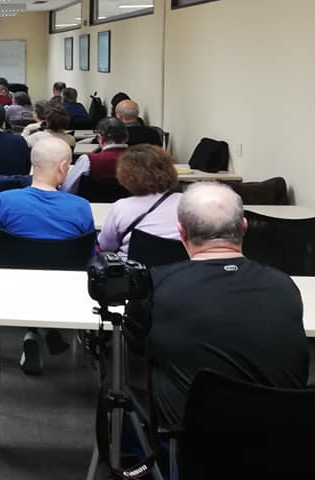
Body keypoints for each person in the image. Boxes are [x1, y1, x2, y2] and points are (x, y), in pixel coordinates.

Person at [127, 183, 309, 428]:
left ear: (181, 231)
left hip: (194, 430)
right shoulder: (284, 284)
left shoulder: (155, 283)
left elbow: (135, 343)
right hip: (283, 428)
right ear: (244, 227)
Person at [0, 136, 94, 374]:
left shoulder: (5, 200)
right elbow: (89, 254)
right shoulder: (81, 206)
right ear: (63, 167)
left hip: (12, 282)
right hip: (65, 286)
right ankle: (41, 330)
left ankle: (35, 332)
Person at [97, 144, 182, 258]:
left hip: (131, 267)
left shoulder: (121, 207)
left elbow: (106, 246)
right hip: (181, 267)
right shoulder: (188, 203)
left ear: (125, 175)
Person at [60, 118, 129, 194]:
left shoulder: (88, 160)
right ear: (126, 137)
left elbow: (66, 190)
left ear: (100, 138)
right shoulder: (138, 159)